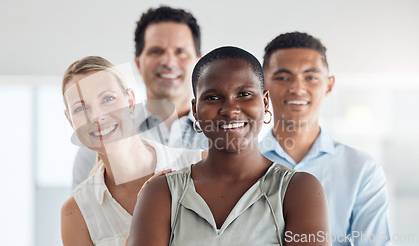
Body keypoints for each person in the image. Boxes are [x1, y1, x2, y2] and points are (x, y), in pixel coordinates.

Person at [128, 46, 330, 245]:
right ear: (196, 110)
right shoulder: (162, 193)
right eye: (213, 97)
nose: (230, 109)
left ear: (265, 102)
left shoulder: (298, 190)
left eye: (244, 94)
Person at [260, 32, 390, 245]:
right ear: (263, 85)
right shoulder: (240, 166)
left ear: (329, 85)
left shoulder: (361, 170)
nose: (297, 88)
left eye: (310, 77)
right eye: (283, 77)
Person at [60, 56, 204, 246]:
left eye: (108, 99)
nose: (96, 116)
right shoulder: (76, 212)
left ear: (130, 101)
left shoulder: (199, 166)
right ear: (71, 121)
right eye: (81, 109)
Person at [71, 6, 207, 189]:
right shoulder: (101, 135)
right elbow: (84, 212)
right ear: (138, 63)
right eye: (156, 51)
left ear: (199, 62)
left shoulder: (227, 133)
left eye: (180, 51)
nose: (168, 61)